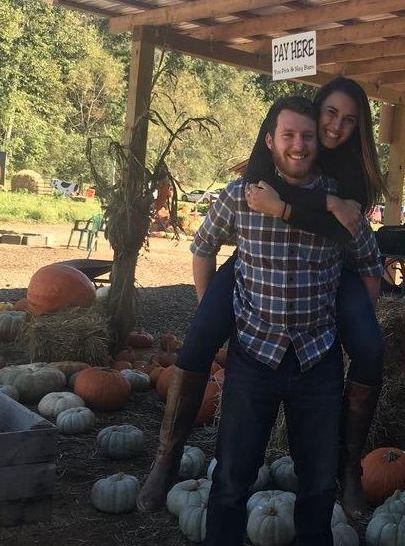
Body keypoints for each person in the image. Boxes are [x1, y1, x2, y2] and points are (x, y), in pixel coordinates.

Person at [137, 77, 387, 518]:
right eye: (329, 113)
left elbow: (349, 239)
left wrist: (318, 206)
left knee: (369, 346)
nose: (335, 127)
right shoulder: (292, 138)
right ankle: (166, 457)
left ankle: (349, 468)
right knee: (197, 341)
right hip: (259, 257)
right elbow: (249, 197)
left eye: (349, 120)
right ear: (313, 110)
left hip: (334, 265)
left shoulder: (353, 170)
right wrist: (209, 296)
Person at [192, 96, 383, 546]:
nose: (299, 145)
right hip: (253, 355)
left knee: (318, 481)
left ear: (318, 144)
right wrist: (209, 305)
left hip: (316, 360)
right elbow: (203, 246)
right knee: (232, 478)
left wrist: (356, 318)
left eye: (307, 136)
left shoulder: (338, 202)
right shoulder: (241, 195)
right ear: (270, 140)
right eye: (289, 135)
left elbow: (369, 263)